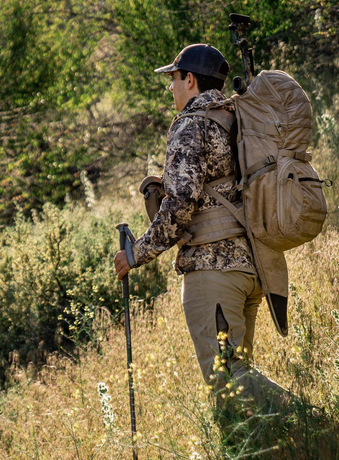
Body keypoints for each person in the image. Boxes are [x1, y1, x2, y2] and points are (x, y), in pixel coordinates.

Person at [114, 44, 291, 413]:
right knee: (240, 389)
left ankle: (313, 424)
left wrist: (135, 254)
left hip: (214, 272)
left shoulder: (191, 124)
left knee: (229, 380)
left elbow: (180, 205)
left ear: (190, 79)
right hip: (253, 268)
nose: (172, 88)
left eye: (174, 79)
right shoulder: (238, 119)